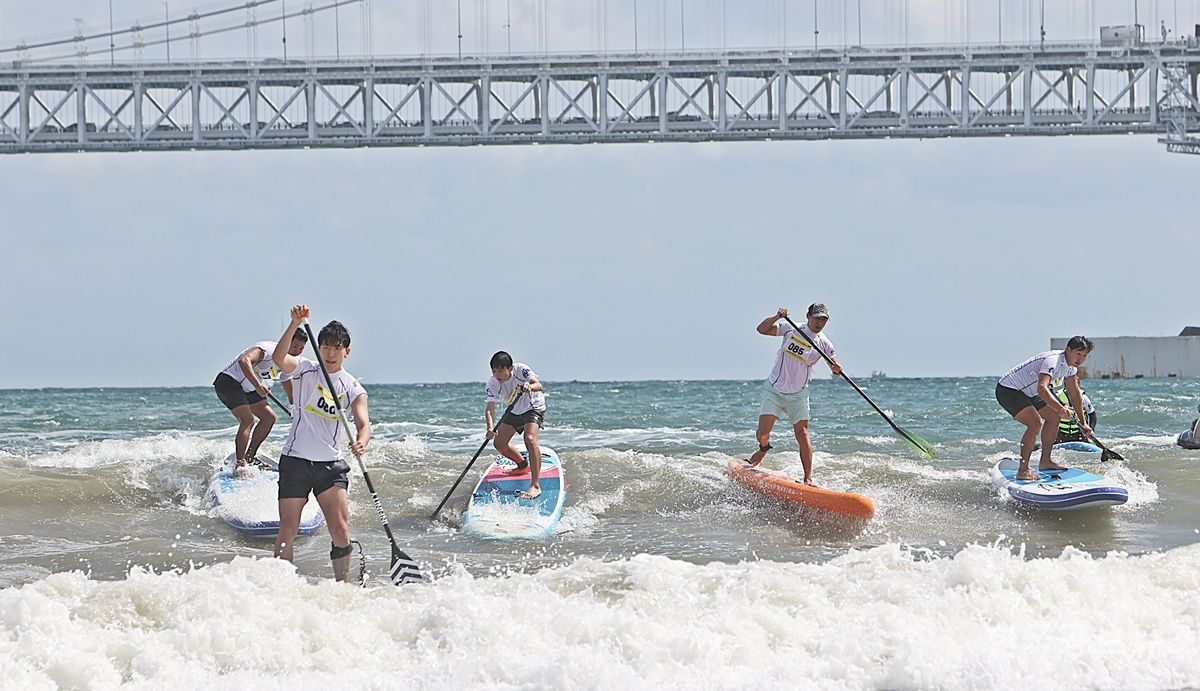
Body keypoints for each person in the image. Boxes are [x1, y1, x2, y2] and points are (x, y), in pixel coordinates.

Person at [271, 305, 368, 582]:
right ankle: (282, 585)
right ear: (319, 348)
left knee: (340, 530)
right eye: (325, 347)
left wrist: (361, 442)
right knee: (287, 529)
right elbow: (279, 359)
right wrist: (294, 324)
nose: (330, 353)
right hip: (296, 461)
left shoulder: (352, 387)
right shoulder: (304, 369)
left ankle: (343, 587)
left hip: (330, 465)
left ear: (346, 352)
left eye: (336, 348)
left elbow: (364, 424)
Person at [745, 304, 842, 486]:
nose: (820, 322)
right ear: (808, 316)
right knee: (763, 434)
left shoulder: (823, 343)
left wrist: (836, 368)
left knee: (803, 434)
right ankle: (763, 448)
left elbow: (835, 365)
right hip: (774, 389)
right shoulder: (791, 327)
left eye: (824, 319)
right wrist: (776, 317)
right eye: (817, 318)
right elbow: (762, 329)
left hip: (799, 394)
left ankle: (808, 478)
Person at [995, 336, 1095, 481]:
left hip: (1031, 392)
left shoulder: (1071, 368)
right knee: (1035, 423)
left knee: (1054, 417)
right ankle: (1023, 471)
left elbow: (1074, 395)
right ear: (1068, 350)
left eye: (1084, 355)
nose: (1081, 359)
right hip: (1009, 389)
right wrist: (1061, 408)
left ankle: (1045, 461)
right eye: (1078, 354)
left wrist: (1083, 423)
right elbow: (1042, 388)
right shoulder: (1053, 360)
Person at [212, 331, 308, 466]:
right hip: (229, 382)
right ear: (286, 341)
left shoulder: (288, 363)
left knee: (269, 418)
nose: (296, 351)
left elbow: (288, 385)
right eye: (294, 346)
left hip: (248, 387)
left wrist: (295, 409)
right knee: (248, 420)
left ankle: (250, 456)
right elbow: (244, 361)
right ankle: (240, 464)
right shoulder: (268, 349)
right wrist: (258, 386)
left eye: (301, 349)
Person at [484, 351, 547, 500]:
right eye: (494, 371)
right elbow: (489, 408)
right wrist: (490, 428)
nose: (497, 374)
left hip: (533, 408)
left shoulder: (521, 370)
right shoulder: (492, 382)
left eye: (500, 370)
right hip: (514, 410)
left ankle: (535, 485)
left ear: (510, 368)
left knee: (530, 439)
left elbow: (539, 385)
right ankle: (523, 465)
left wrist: (529, 386)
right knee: (499, 444)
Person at [1051, 379, 1097, 443]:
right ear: (1065, 386)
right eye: (1070, 386)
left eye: (1075, 386)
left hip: (1079, 433)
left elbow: (1092, 414)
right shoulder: (1058, 396)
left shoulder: (1084, 398)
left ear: (1078, 386)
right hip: (1061, 433)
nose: (1073, 389)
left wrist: (1092, 430)